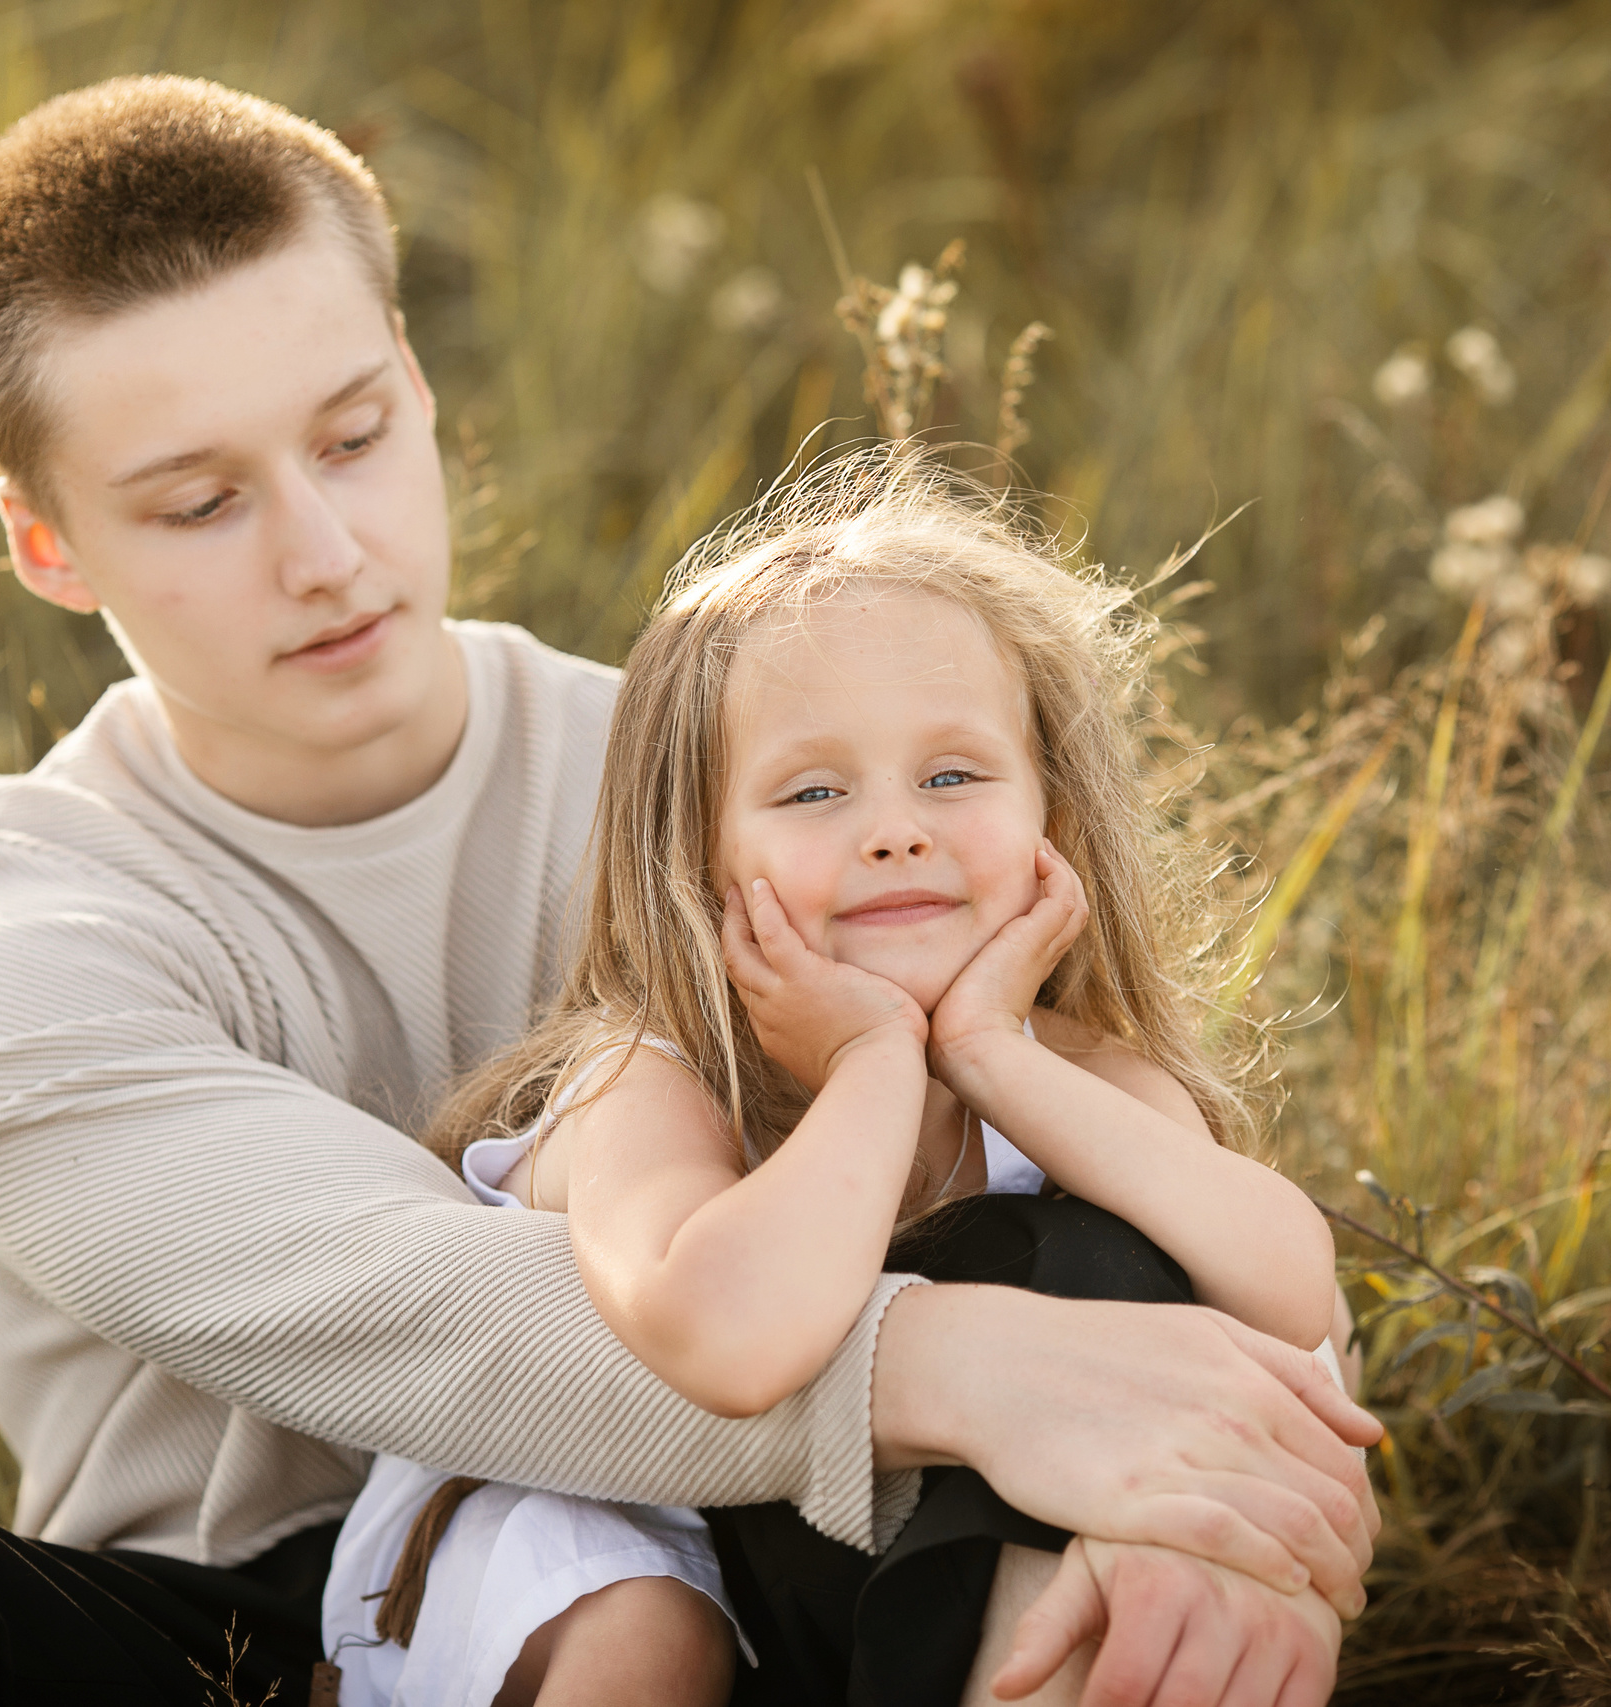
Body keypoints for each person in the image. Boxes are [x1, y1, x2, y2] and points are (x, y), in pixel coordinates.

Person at [0, 75, 1382, 1707]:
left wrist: (1250, 1503)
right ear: (46, 542)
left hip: (761, 1552)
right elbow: (440, 1314)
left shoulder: (753, 787)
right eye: (201, 501)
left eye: (357, 434)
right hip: (253, 1628)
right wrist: (1002, 1380)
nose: (324, 551)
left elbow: (1126, 1148)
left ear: (419, 383)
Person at [318, 451, 1351, 1707]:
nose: (895, 829)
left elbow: (1287, 1290)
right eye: (813, 791)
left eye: (955, 777)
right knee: (647, 1634)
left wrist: (984, 1053)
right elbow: (735, 1341)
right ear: (693, 860)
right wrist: (871, 1059)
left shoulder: (1075, 1073)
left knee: (1109, 1349)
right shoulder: (646, 1081)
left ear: (1052, 821)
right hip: (584, 1515)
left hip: (846, 1541)